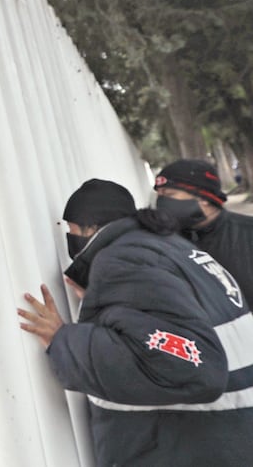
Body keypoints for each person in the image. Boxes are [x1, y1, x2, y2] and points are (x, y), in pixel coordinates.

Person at [18, 178, 253, 466]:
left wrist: (65, 340)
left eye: (72, 231)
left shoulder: (124, 260)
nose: (70, 238)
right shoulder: (172, 248)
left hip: (197, 446)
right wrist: (109, 304)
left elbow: (193, 365)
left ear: (89, 228)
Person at [155, 158, 253, 305]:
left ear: (203, 197)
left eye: (169, 195)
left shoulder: (247, 233)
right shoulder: (164, 241)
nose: (161, 202)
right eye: (159, 195)